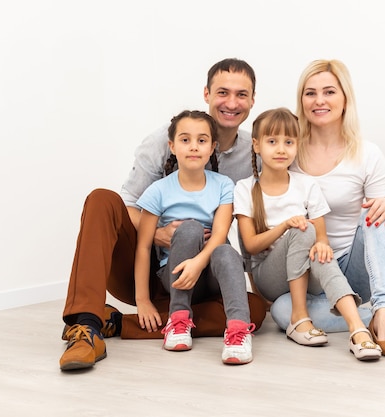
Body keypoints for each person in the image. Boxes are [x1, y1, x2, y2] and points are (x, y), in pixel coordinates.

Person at [59, 58, 266, 371]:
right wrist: (157, 234)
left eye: (241, 94)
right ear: (207, 94)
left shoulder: (254, 152)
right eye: (223, 92)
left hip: (200, 271)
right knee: (102, 199)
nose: (232, 103)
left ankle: (118, 323)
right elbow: (127, 204)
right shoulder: (163, 141)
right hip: (148, 267)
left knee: (255, 309)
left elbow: (253, 220)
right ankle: (86, 325)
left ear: (252, 100)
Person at [270, 59, 385, 357]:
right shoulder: (287, 150)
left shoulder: (367, 154)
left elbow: (383, 226)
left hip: (352, 271)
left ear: (345, 99)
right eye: (310, 93)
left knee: (377, 210)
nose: (319, 101)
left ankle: (384, 309)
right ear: (301, 101)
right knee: (280, 311)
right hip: (306, 273)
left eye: (329, 92)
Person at [234, 108, 381, 361]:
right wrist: (283, 227)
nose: (281, 149)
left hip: (308, 272)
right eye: (272, 142)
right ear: (256, 145)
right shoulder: (245, 188)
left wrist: (322, 245)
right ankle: (299, 317)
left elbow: (321, 236)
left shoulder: (306, 184)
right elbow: (251, 244)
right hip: (271, 278)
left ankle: (359, 329)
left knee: (317, 247)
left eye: (289, 142)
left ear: (297, 145)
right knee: (303, 228)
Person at [135, 110, 255, 364]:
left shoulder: (223, 185)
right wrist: (142, 300)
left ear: (212, 148)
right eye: (185, 140)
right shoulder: (158, 190)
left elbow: (220, 233)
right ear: (172, 146)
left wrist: (199, 263)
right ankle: (178, 319)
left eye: (201, 141)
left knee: (225, 250)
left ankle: (238, 330)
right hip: (175, 276)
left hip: (208, 274)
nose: (193, 147)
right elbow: (144, 247)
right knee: (189, 229)